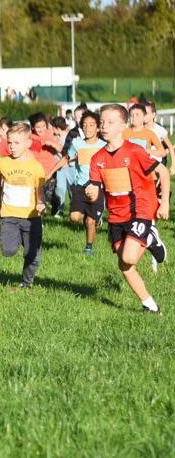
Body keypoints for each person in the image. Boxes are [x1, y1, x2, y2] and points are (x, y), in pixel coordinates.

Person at [85, 104, 170, 313]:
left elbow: (164, 173)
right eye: (102, 122)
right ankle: (149, 304)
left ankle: (150, 237)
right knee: (124, 265)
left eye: (110, 122)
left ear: (123, 125)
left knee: (129, 257)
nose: (104, 126)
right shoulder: (97, 159)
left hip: (139, 211)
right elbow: (96, 190)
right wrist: (91, 191)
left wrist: (165, 203)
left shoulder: (134, 151)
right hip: (115, 217)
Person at [0, 125, 46, 289]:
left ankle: (26, 282)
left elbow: (39, 189)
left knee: (32, 256)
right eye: (10, 143)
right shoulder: (2, 163)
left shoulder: (36, 166)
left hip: (31, 218)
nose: (12, 147)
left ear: (28, 143)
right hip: (9, 216)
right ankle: (16, 241)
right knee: (8, 251)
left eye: (17, 143)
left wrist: (40, 202)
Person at [47, 111, 105, 255]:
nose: (88, 128)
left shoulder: (104, 146)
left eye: (91, 125)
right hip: (80, 186)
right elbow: (66, 159)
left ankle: (88, 248)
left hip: (97, 187)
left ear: (98, 128)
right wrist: (50, 172)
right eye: (84, 125)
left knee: (91, 222)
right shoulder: (77, 144)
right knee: (74, 217)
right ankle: (89, 218)